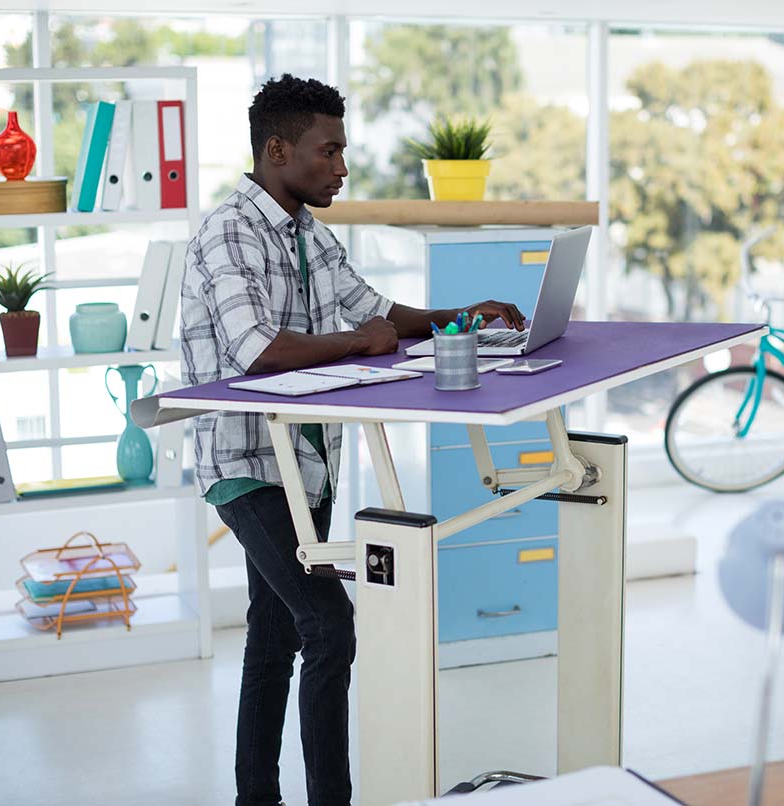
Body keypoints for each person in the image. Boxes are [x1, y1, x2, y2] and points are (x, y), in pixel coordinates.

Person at [179, 74, 525, 806]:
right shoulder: (226, 231)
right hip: (245, 463)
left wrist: (465, 315)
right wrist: (356, 344)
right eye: (328, 151)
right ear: (278, 150)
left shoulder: (310, 233)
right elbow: (257, 350)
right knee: (328, 624)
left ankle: (255, 797)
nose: (341, 168)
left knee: (274, 635)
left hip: (306, 463)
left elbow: (379, 313)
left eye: (343, 151)